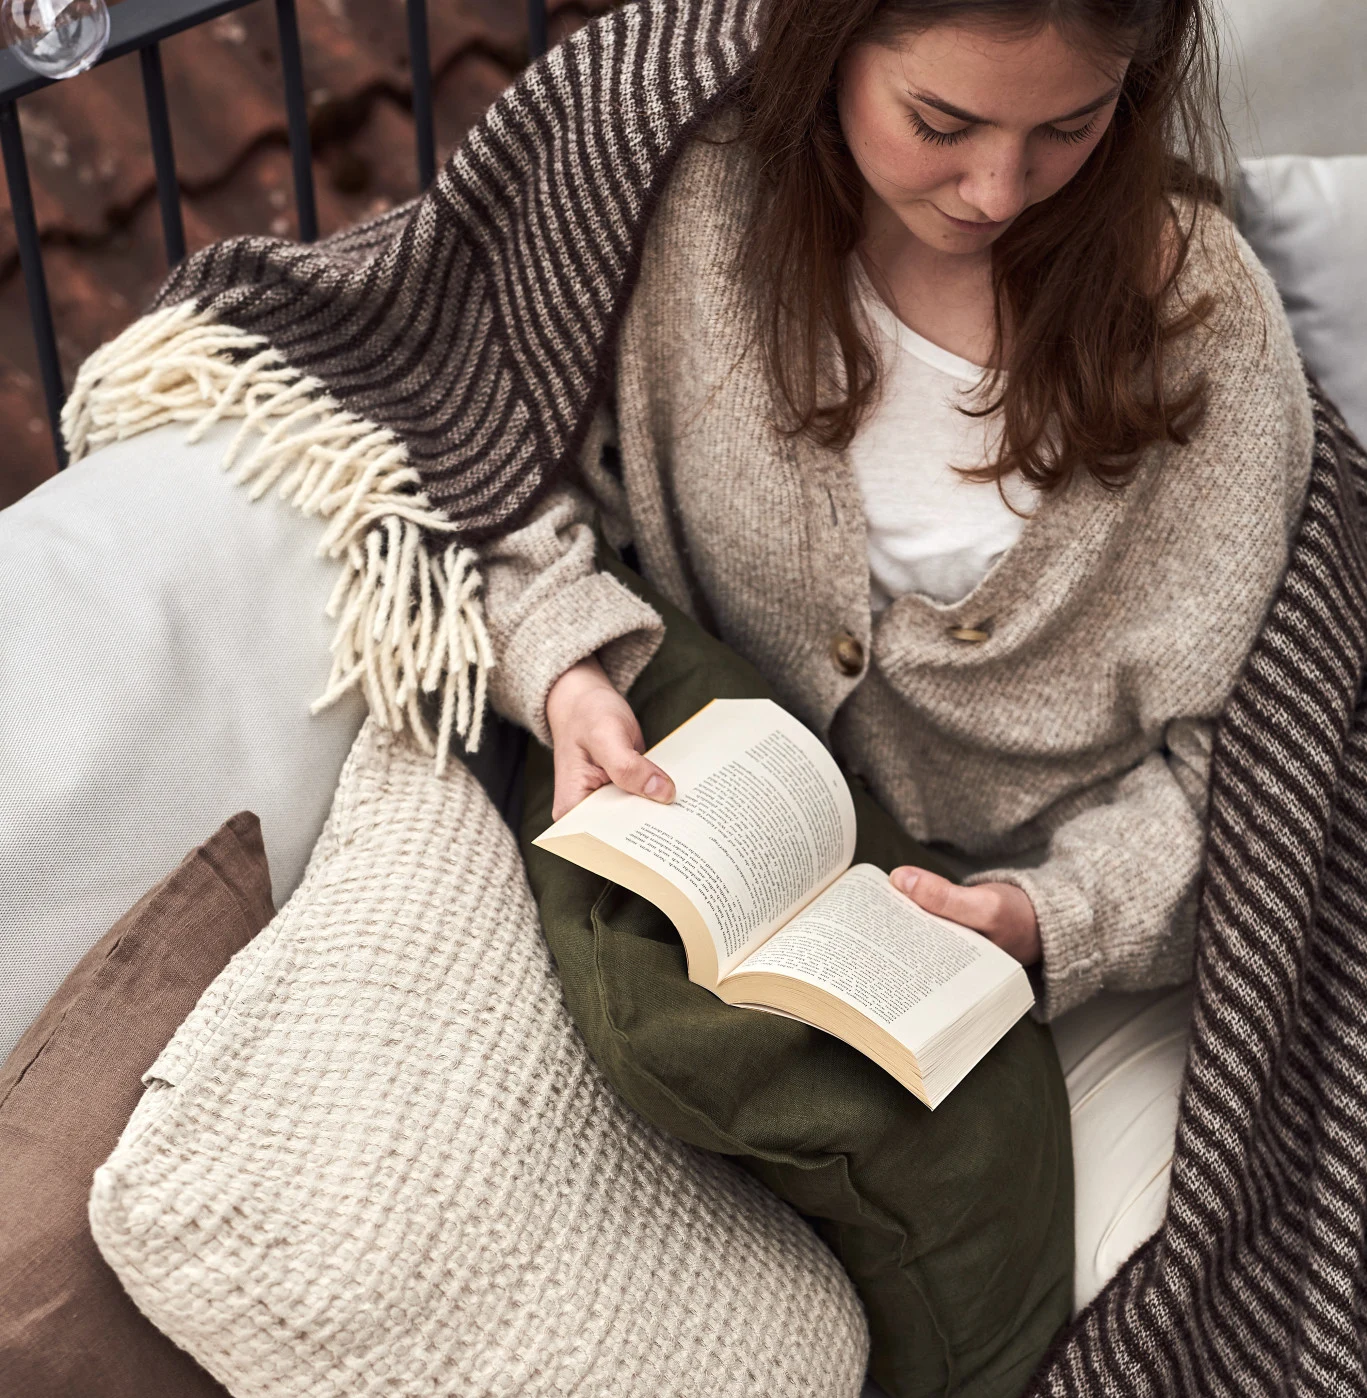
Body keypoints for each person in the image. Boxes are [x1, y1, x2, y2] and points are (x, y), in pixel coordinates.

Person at [481, 0, 1310, 1301]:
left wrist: (1046, 917)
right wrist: (560, 658)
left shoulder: (1204, 328)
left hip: (1077, 953)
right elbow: (472, 438)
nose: (996, 187)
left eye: (1067, 128)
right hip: (758, 856)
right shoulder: (691, 209)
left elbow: (1268, 768)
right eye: (942, 122)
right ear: (830, 44)